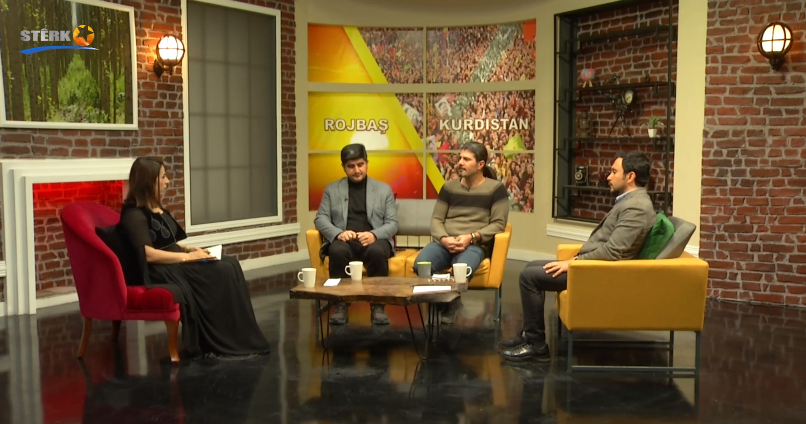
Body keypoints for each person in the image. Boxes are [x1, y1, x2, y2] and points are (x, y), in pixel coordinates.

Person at [499, 150, 657, 362]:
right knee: (531, 267)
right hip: (594, 266)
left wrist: (574, 263)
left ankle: (536, 345)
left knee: (529, 277)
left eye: (614, 172)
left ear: (630, 176)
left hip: (601, 272)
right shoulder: (631, 201)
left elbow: (613, 250)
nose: (608, 177)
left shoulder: (636, 207)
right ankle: (529, 334)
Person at [117, 157, 270, 359]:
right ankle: (220, 339)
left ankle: (241, 334)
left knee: (231, 263)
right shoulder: (133, 214)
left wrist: (191, 249)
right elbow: (149, 254)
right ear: (148, 181)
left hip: (175, 259)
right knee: (222, 270)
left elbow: (168, 242)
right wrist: (188, 258)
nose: (167, 181)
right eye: (162, 177)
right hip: (160, 269)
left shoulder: (155, 208)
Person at [413, 141, 509, 323]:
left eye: (466, 159)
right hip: (444, 243)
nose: (460, 163)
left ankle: (449, 304)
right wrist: (443, 239)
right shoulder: (449, 187)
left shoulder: (496, 190)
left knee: (462, 270)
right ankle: (445, 303)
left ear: (480, 164)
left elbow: (498, 224)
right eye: (460, 158)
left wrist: (471, 237)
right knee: (422, 265)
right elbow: (436, 219)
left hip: (474, 245)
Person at [314, 144, 399, 325]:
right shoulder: (332, 189)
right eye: (351, 166)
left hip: (374, 240)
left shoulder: (383, 190)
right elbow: (320, 218)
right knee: (337, 251)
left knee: (377, 252)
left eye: (360, 164)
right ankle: (340, 305)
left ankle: (378, 306)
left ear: (367, 163)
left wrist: (374, 234)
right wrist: (338, 233)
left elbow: (392, 223)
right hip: (346, 240)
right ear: (343, 167)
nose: (356, 170)